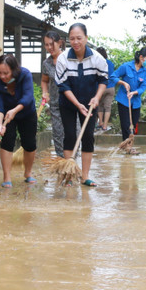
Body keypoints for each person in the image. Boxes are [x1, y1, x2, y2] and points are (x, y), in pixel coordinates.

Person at [55, 23, 109, 187]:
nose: (76, 42)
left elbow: (103, 80)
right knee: (70, 135)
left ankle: (85, 176)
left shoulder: (97, 58)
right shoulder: (63, 59)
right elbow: (63, 86)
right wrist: (78, 104)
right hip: (68, 102)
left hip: (90, 103)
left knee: (87, 137)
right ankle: (69, 174)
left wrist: (97, 98)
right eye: (72, 38)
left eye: (79, 38)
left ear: (86, 38)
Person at [0, 54, 37, 188]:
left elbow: (28, 97)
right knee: (7, 141)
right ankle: (7, 176)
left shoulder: (24, 75)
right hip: (7, 116)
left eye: (6, 73)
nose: (3, 76)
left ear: (13, 70)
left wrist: (14, 110)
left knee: (29, 143)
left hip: (26, 113)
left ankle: (27, 173)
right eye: (0, 73)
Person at [111, 47, 146, 151]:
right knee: (125, 124)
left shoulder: (145, 72)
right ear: (141, 57)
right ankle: (127, 147)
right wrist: (123, 82)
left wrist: (134, 92)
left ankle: (128, 144)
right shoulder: (126, 66)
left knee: (133, 124)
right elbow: (113, 76)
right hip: (124, 100)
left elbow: (143, 86)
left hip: (135, 102)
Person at [41, 31, 68, 157]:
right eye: (46, 45)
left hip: (71, 103)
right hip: (55, 104)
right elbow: (44, 80)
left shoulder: (69, 59)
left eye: (52, 44)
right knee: (57, 133)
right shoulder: (46, 63)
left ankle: (72, 161)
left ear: (59, 43)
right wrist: (45, 92)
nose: (49, 48)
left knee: (72, 133)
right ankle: (61, 162)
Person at [95, 47, 117, 132]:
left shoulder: (97, 63)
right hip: (110, 87)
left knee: (100, 105)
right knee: (108, 107)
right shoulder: (110, 63)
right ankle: (105, 125)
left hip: (100, 87)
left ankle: (100, 122)